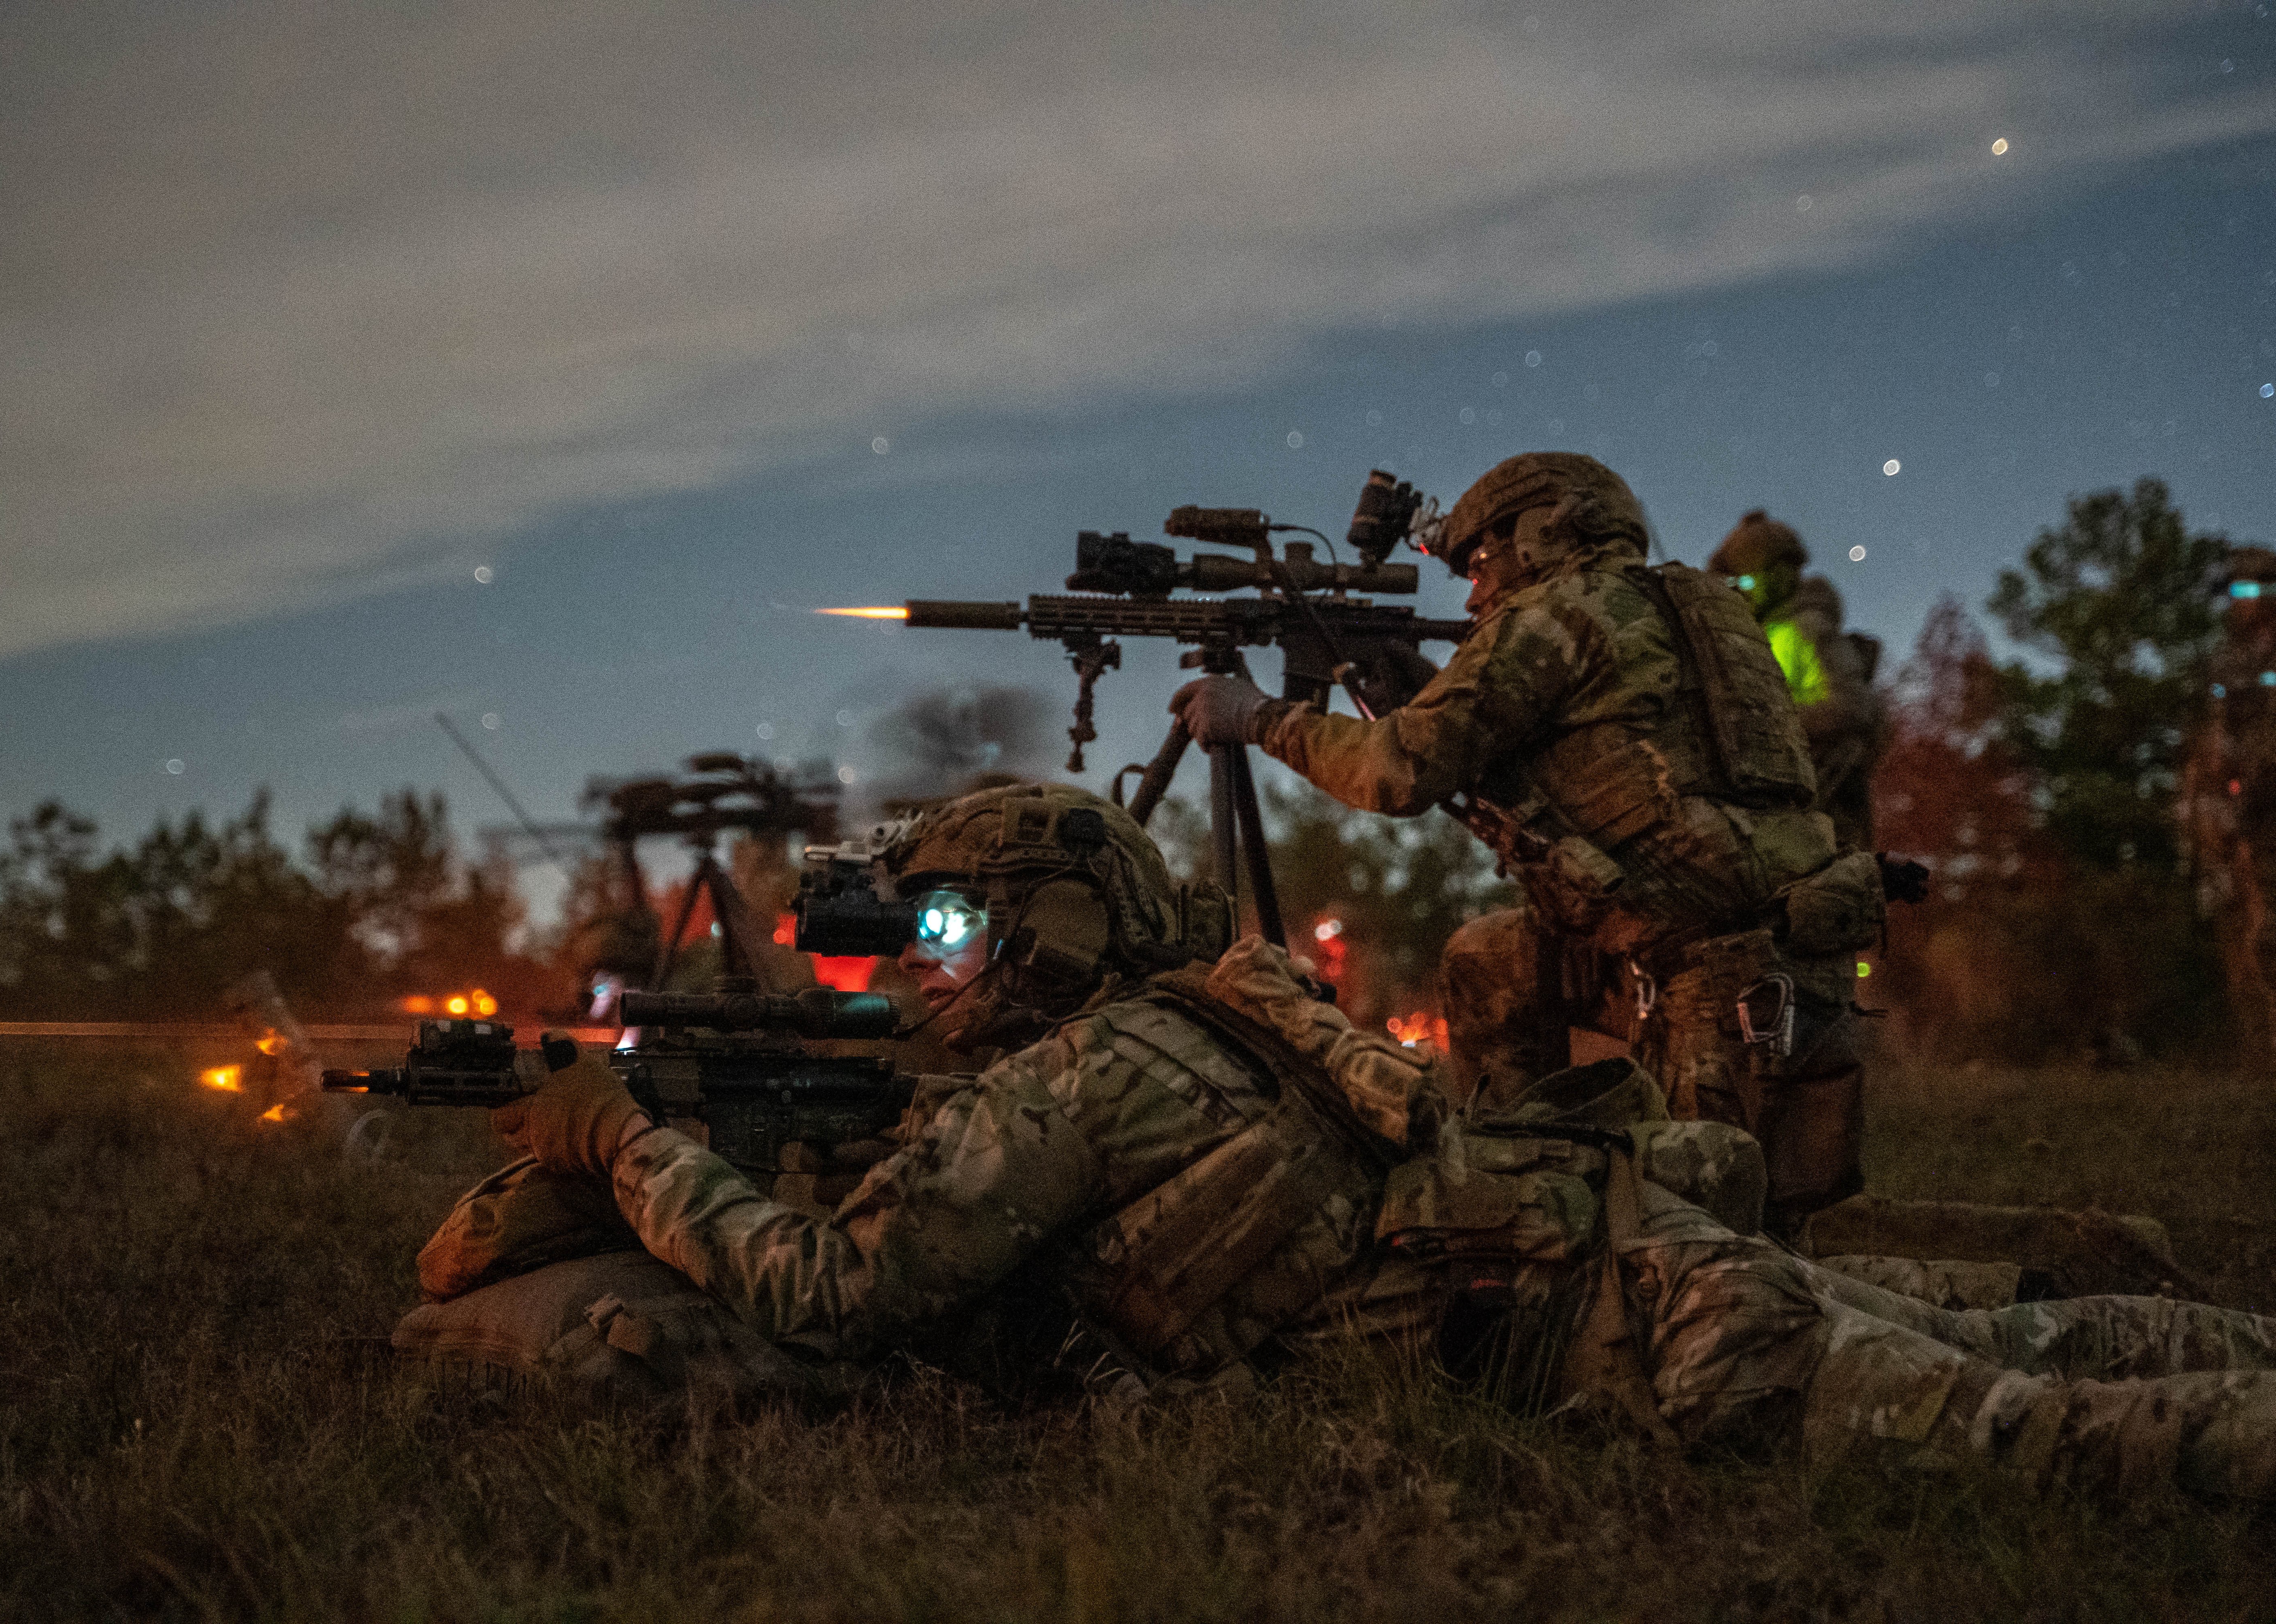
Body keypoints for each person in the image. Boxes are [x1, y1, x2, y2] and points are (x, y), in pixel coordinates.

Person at [411, 781, 2276, 1503]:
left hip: (1637, 1338)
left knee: (2073, 1439)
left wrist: (621, 1141)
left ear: (1048, 926)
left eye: (956, 931)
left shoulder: (1072, 1084)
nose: (927, 971)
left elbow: (831, 1292)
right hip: (1627, 1253)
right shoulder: (1207, 1003)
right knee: (2061, 1338)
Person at [1171, 453, 1873, 1236]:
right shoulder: (1699, 608)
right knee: (1489, 963)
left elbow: (1397, 772)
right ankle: (1526, 1198)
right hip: (1750, 936)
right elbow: (1589, 745)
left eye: (1480, 561)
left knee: (1714, 1254)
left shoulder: (1559, 614)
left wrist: (1256, 718)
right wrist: (1424, 691)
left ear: (1541, 531)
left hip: (1716, 973)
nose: (1474, 590)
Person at [1706, 510, 1888, 852]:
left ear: (1776, 575)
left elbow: (1850, 708)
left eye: (1744, 583)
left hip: (1823, 816)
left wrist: (1759, 726)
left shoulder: (1799, 628)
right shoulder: (1779, 629)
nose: (1740, 595)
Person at [2179, 545, 2276, 1055]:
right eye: (2240, 589)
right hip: (2228, 812)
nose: (2250, 599)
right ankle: (2257, 1053)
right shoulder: (2219, 661)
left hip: (2268, 805)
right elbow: (2203, 738)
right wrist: (2195, 808)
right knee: (2236, 933)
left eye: (2261, 586)